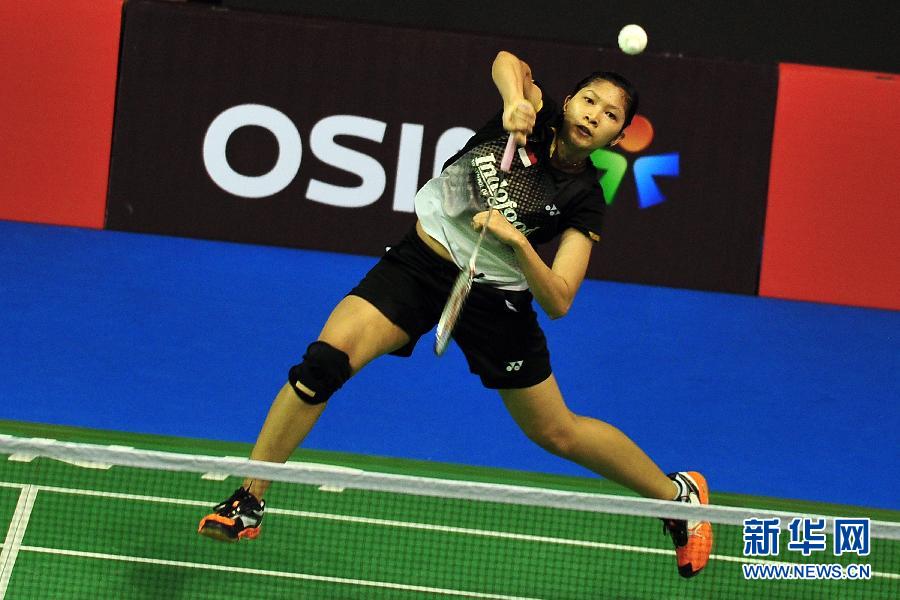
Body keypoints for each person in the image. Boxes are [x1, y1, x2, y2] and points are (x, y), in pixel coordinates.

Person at [198, 50, 713, 578]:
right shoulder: (531, 115)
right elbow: (508, 62)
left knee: (556, 432)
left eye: (610, 115)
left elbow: (559, 300)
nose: (593, 115)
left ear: (619, 136)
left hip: (495, 300)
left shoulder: (585, 199)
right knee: (323, 364)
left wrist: (519, 243)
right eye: (589, 100)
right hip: (419, 265)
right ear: (568, 102)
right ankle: (249, 499)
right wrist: (513, 101)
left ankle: (677, 497)